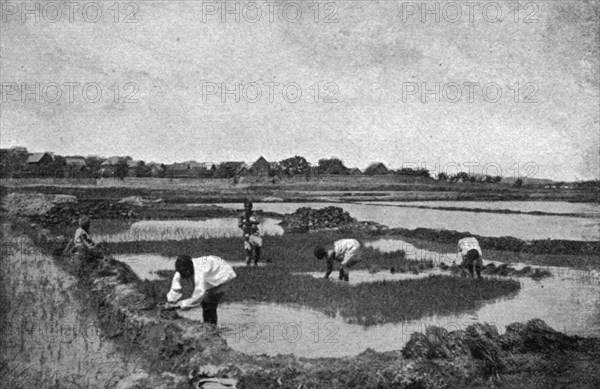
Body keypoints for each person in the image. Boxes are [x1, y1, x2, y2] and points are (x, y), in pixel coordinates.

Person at [166, 255, 237, 325]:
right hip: (210, 270)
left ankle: (211, 327)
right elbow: (175, 287)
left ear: (189, 269)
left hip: (222, 273)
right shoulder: (182, 268)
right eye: (180, 272)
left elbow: (198, 296)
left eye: (184, 272)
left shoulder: (200, 272)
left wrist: (180, 304)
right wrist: (171, 301)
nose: (182, 275)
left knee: (210, 303)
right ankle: (208, 324)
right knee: (205, 303)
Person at [238, 199, 262, 266]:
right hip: (247, 233)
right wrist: (244, 223)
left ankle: (255, 264)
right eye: (247, 207)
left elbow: (258, 221)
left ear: (251, 207)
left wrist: (252, 222)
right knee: (248, 250)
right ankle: (247, 265)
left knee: (257, 249)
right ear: (245, 207)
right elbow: (239, 224)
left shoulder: (254, 214)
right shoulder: (242, 215)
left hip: (255, 233)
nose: (248, 208)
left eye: (249, 206)